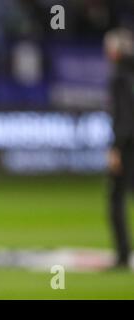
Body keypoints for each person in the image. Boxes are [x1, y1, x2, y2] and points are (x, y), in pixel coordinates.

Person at [104, 27, 134, 268]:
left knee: (116, 201)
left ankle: (123, 255)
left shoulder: (119, 76)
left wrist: (116, 148)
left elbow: (124, 116)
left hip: (127, 147)